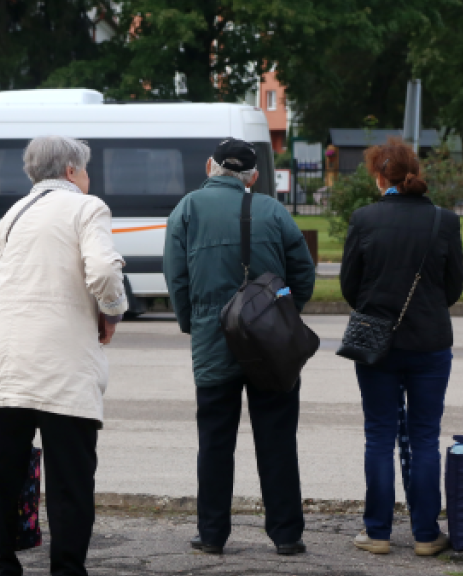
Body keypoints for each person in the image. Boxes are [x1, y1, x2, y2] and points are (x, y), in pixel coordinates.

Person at [0, 136, 128, 576]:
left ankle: (0, 565)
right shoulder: (87, 207)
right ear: (69, 171)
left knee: (0, 477)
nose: (87, 177)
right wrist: (113, 312)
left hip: (4, 363)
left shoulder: (12, 215)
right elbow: (101, 269)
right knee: (70, 480)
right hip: (63, 365)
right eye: (85, 169)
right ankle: (66, 568)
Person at [162, 138, 316, 556]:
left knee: (215, 441)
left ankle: (212, 534)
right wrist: (284, 312)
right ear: (253, 176)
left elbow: (176, 278)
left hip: (214, 340)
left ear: (210, 165)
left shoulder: (187, 210)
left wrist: (191, 324)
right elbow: (303, 271)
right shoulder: (272, 209)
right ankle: (286, 535)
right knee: (278, 438)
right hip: (272, 343)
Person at [340, 137, 463, 556]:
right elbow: (453, 286)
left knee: (378, 435)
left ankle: (376, 531)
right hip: (430, 342)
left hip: (377, 344)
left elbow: (350, 287)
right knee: (425, 438)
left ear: (379, 176)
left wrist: (378, 309)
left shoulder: (364, 219)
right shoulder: (443, 221)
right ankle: (427, 533)